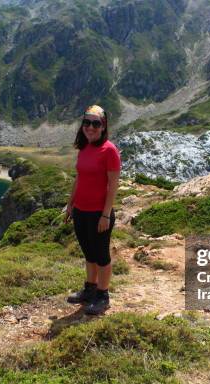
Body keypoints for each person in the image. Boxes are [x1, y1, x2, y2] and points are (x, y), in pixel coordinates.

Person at [63, 104, 121, 315]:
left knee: (101, 255)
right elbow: (79, 177)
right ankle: (90, 289)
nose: (90, 127)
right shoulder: (84, 146)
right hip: (81, 210)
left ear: (103, 126)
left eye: (95, 123)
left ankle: (103, 296)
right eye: (86, 122)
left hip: (99, 213)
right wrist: (71, 204)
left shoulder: (110, 150)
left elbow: (113, 185)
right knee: (89, 253)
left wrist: (106, 214)